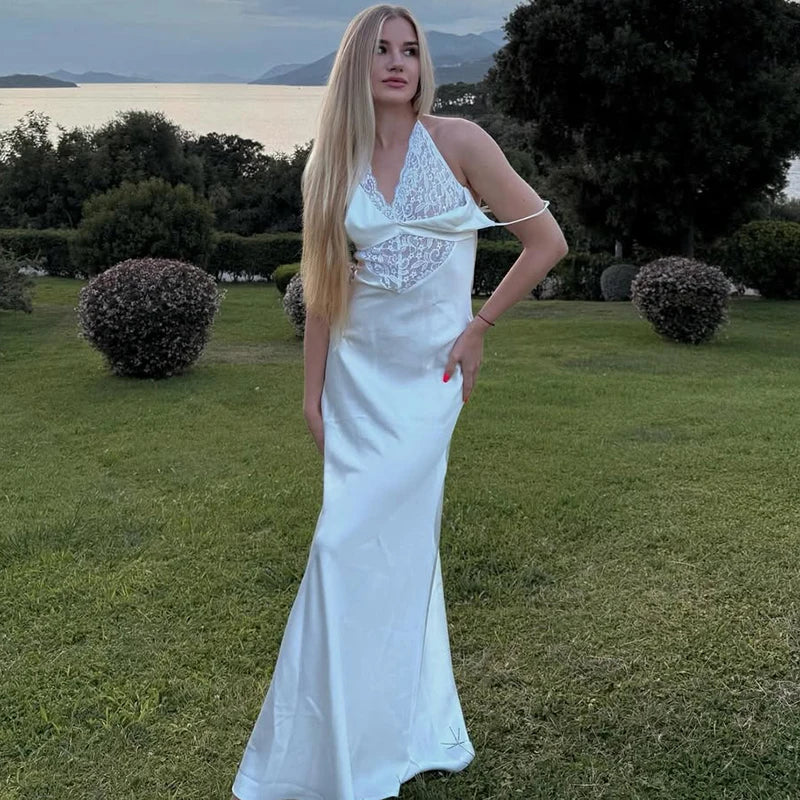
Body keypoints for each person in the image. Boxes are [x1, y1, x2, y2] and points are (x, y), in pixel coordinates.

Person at [231, 4, 569, 799]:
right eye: (381, 50)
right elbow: (323, 291)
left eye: (410, 50)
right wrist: (310, 395)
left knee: (345, 548)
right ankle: (389, 728)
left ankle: (361, 741)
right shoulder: (331, 163)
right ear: (356, 64)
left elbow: (546, 241)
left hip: (427, 385)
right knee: (376, 555)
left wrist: (480, 324)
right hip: (353, 385)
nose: (397, 62)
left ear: (423, 65)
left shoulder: (460, 143)